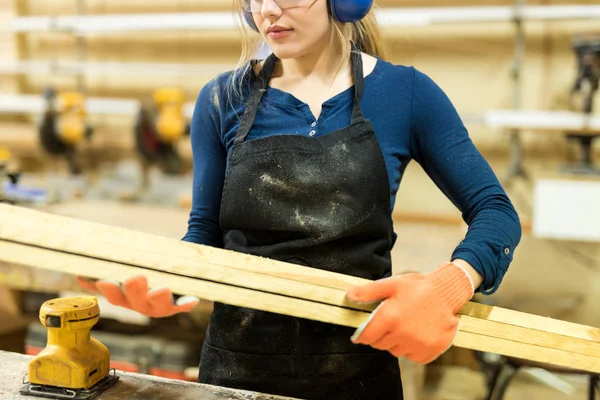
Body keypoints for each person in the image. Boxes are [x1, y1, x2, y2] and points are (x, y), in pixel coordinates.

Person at [78, 0, 522, 398]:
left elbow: (496, 213)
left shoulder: (405, 94)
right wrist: (170, 282)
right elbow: (204, 233)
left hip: (357, 374)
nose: (267, 10)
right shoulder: (222, 99)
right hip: (234, 374)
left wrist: (450, 285)